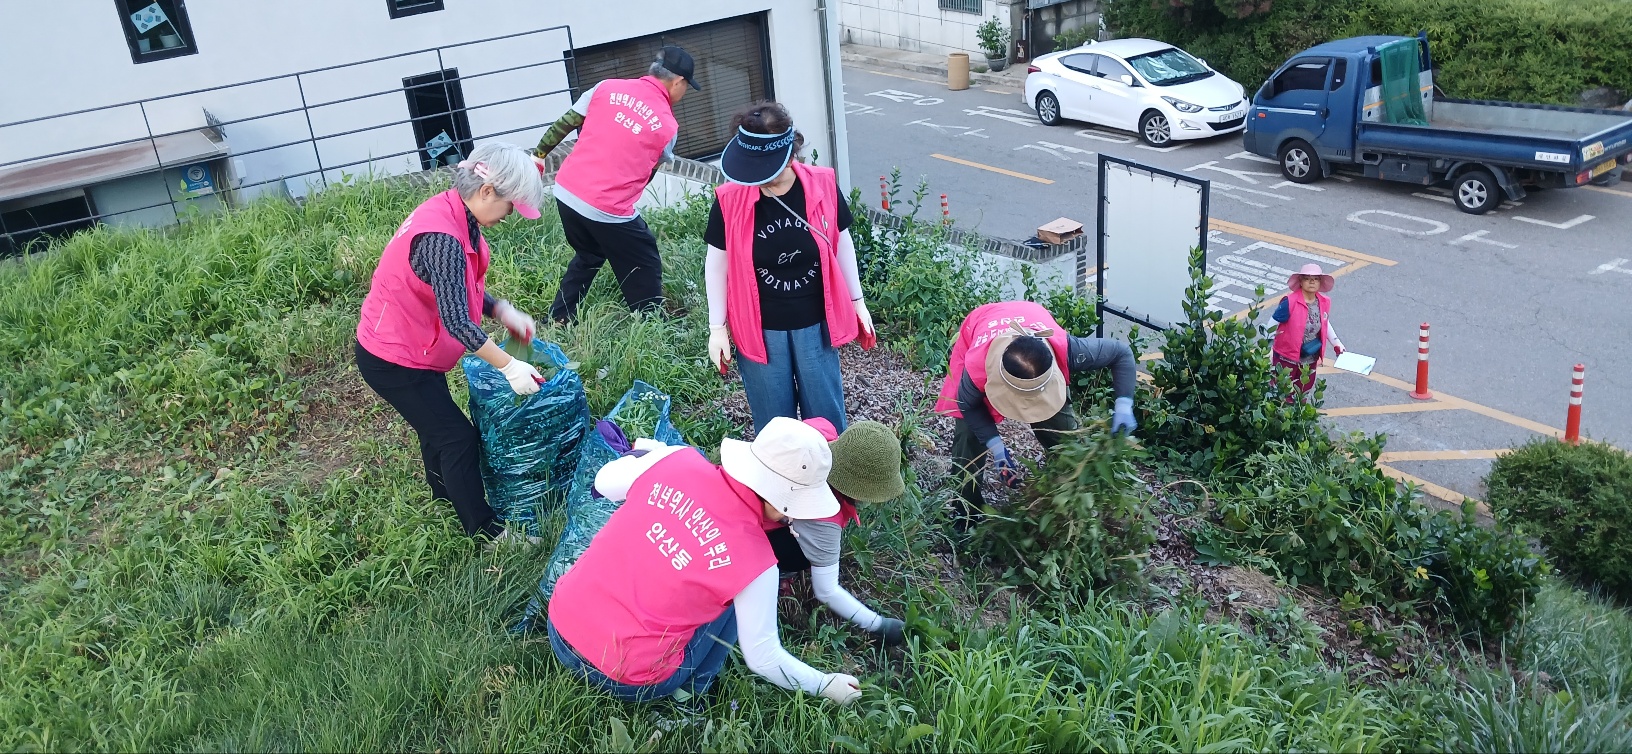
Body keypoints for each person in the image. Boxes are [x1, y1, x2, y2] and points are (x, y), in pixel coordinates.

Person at [545, 417, 863, 706]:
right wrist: (825, 684)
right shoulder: (758, 562)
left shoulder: (676, 459)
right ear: (787, 503)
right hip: (624, 677)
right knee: (735, 607)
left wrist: (652, 465)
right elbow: (764, 658)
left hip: (560, 625)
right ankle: (691, 694)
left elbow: (604, 484)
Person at [354, 142, 547, 544]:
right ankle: (487, 532)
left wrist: (502, 311)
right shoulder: (442, 237)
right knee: (457, 438)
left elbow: (456, 289)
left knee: (436, 428)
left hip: (414, 346)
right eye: (511, 205)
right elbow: (458, 321)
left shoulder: (458, 213)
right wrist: (510, 367)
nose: (511, 215)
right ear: (488, 191)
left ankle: (444, 496)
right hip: (392, 356)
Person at [704, 101, 874, 433]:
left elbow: (842, 242)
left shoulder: (822, 185)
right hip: (759, 327)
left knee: (826, 421)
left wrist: (857, 301)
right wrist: (717, 327)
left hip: (815, 323)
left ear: (790, 155)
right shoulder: (730, 199)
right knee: (774, 428)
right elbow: (716, 263)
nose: (760, 180)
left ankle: (831, 481)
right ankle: (780, 483)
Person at [934, 301, 1138, 531]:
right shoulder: (976, 366)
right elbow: (968, 406)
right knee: (968, 434)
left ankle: (1067, 493)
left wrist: (1124, 403)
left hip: (1030, 317)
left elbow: (1121, 354)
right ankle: (966, 510)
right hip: (981, 325)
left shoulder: (1067, 348)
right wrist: (996, 447)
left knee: (1066, 441)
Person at [533, 45, 700, 323]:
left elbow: (566, 122)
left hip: (566, 191)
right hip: (605, 206)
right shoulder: (667, 126)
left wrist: (538, 155)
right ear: (678, 82)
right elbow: (648, 172)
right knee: (644, 258)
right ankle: (650, 325)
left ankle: (559, 318)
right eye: (685, 88)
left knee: (589, 253)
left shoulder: (606, 87)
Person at [764, 419, 906, 645]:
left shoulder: (820, 432)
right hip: (742, 529)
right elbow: (826, 590)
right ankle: (776, 574)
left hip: (736, 480)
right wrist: (879, 624)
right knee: (798, 555)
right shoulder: (823, 518)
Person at [1271, 263, 1344, 398]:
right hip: (1286, 358)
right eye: (1307, 278)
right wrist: (1267, 351)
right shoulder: (1290, 302)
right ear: (1300, 281)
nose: (1312, 281)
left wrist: (1336, 343)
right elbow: (1271, 325)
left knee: (1301, 395)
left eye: (1315, 278)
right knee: (1280, 394)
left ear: (1320, 282)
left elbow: (1324, 321)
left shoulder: (1324, 301)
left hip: (1309, 358)